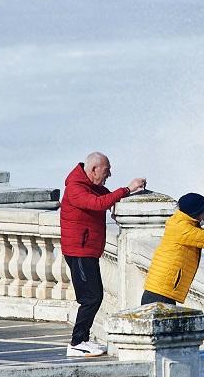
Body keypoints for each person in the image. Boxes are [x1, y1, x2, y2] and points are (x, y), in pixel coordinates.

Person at [61, 152, 145, 357]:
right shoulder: (76, 187)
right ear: (94, 170)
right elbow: (98, 203)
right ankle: (77, 342)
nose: (109, 174)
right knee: (90, 298)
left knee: (94, 296)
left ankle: (83, 339)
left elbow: (105, 197)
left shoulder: (90, 185)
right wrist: (127, 189)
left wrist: (122, 197)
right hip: (79, 251)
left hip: (86, 250)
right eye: (107, 170)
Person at [141, 192, 204, 305]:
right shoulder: (182, 228)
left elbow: (198, 233)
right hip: (161, 292)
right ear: (195, 212)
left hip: (161, 289)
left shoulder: (179, 222)